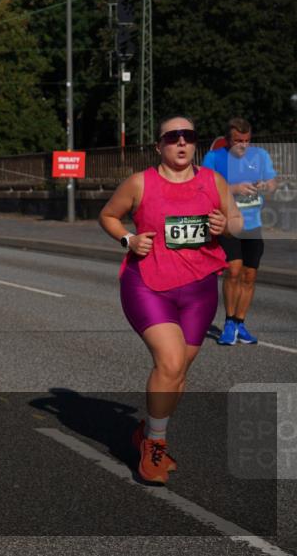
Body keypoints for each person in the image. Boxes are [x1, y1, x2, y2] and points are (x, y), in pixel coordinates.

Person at [99, 116, 241, 485]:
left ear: (195, 143)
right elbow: (108, 215)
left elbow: (238, 221)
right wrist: (129, 240)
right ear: (159, 146)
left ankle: (148, 430)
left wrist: (225, 226)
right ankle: (155, 446)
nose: (181, 143)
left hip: (199, 289)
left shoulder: (213, 181)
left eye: (188, 136)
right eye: (172, 137)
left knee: (177, 374)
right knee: (171, 361)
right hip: (148, 284)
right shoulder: (140, 183)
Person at [201, 117, 278, 345]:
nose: (243, 145)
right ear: (227, 140)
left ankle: (240, 322)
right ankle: (228, 323)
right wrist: (233, 189)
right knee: (233, 271)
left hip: (253, 224)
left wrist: (266, 186)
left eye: (246, 140)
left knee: (249, 275)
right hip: (228, 224)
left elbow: (273, 183)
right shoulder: (214, 157)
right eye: (237, 141)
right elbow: (203, 187)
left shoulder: (260, 155)